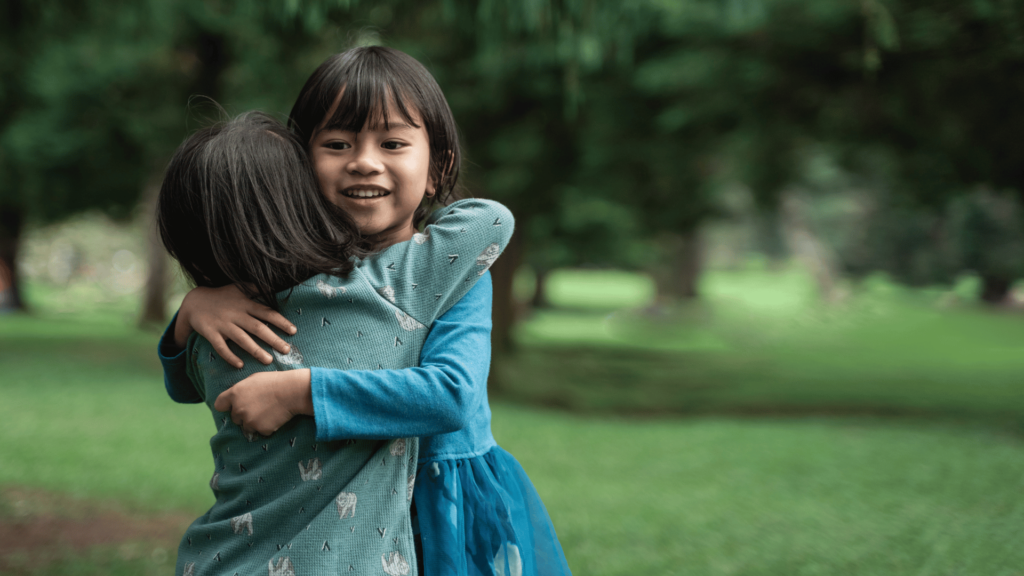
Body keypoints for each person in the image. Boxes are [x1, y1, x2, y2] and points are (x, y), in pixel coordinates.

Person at [159, 46, 573, 576]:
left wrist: (300, 390)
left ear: (437, 167)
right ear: (299, 167)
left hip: (443, 494)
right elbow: (194, 380)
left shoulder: (452, 270)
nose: (364, 161)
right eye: (336, 143)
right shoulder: (292, 280)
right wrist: (191, 311)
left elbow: (454, 393)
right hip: (351, 503)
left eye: (394, 143)